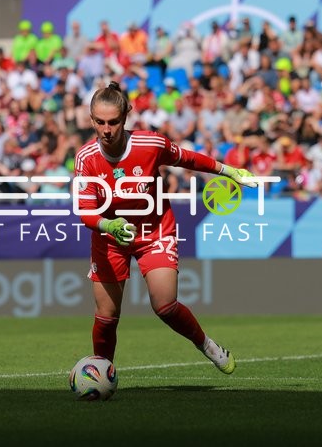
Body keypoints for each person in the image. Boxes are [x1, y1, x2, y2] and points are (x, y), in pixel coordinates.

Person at [74, 82, 256, 373]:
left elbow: (188, 158)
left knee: (165, 305)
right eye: (100, 122)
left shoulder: (151, 145)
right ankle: (102, 375)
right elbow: (85, 210)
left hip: (154, 231)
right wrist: (109, 225)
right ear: (91, 119)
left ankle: (207, 345)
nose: (106, 130)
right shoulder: (86, 158)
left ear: (126, 116)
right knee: (107, 315)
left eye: (114, 122)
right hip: (110, 237)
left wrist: (228, 171)